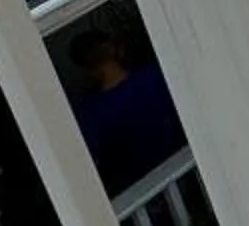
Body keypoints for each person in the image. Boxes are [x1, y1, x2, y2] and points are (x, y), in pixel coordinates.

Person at [68, 30, 187, 192]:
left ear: (86, 69)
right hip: (186, 167)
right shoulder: (154, 76)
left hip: (144, 191)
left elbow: (91, 160)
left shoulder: (92, 112)